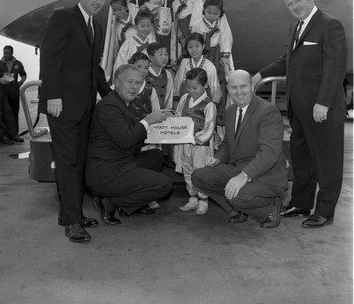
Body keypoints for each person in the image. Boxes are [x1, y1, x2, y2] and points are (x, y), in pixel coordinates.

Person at [252, 0, 347, 228]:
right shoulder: (296, 27)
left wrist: (323, 103)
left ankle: (325, 211)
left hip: (322, 110)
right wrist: (259, 74)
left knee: (327, 162)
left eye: (298, 1)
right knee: (302, 160)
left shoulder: (330, 25)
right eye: (290, 4)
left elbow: (335, 67)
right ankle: (301, 203)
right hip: (300, 110)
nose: (294, 7)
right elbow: (287, 60)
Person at [39, 0, 111, 243]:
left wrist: (112, 98)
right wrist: (53, 96)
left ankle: (70, 214)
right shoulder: (63, 17)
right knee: (69, 163)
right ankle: (72, 222)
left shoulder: (97, 27)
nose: (98, 2)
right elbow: (49, 58)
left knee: (77, 162)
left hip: (85, 107)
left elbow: (95, 70)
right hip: (63, 106)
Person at [192, 70, 288, 228]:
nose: (239, 92)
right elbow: (227, 143)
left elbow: (270, 152)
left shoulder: (267, 111)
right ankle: (237, 211)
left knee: (236, 195)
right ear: (228, 89)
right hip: (240, 169)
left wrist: (243, 176)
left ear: (252, 86)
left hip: (266, 175)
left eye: (243, 86)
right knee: (199, 176)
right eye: (234, 87)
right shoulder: (231, 111)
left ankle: (269, 209)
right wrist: (217, 158)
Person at [85, 64, 173, 223]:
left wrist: (168, 129)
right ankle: (111, 202)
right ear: (117, 82)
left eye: (138, 83)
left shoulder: (120, 102)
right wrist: (148, 121)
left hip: (120, 162)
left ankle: (133, 201)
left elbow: (133, 136)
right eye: (130, 82)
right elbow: (126, 140)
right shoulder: (110, 106)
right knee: (164, 185)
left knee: (156, 156)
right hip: (106, 172)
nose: (134, 87)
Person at [176, 68, 217, 214]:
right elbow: (178, 117)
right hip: (185, 143)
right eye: (189, 87)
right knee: (187, 169)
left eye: (195, 87)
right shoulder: (184, 99)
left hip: (201, 146)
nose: (191, 90)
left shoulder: (208, 104)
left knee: (200, 171)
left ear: (205, 85)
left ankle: (203, 200)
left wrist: (199, 138)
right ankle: (192, 197)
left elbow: (210, 126)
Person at [192, 0, 234, 125]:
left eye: (216, 13)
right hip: (202, 55)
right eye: (209, 12)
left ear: (221, 13)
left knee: (218, 82)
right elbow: (193, 42)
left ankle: (218, 118)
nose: (212, 15)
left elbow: (226, 37)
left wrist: (224, 55)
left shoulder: (221, 23)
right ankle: (199, 115)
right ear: (203, 10)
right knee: (203, 80)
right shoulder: (197, 25)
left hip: (216, 55)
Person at [113, 10, 156, 76]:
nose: (146, 29)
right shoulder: (128, 44)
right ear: (136, 27)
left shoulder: (153, 44)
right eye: (142, 26)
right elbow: (120, 64)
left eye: (148, 26)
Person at [0, 45, 27, 134]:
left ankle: (14, 134)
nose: (6, 55)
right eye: (4, 53)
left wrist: (21, 82)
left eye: (8, 53)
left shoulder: (18, 64)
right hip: (3, 92)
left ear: (12, 53)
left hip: (14, 91)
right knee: (3, 113)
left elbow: (23, 75)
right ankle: (4, 135)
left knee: (14, 112)